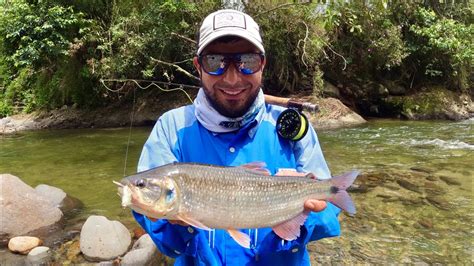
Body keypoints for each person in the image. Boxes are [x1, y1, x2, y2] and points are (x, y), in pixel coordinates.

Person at [133, 9, 341, 265]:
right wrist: (178, 223)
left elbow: (328, 210)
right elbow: (166, 242)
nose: (232, 78)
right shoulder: (170, 128)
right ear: (198, 66)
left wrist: (299, 220)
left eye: (247, 61)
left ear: (262, 64)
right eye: (215, 61)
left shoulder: (293, 128)